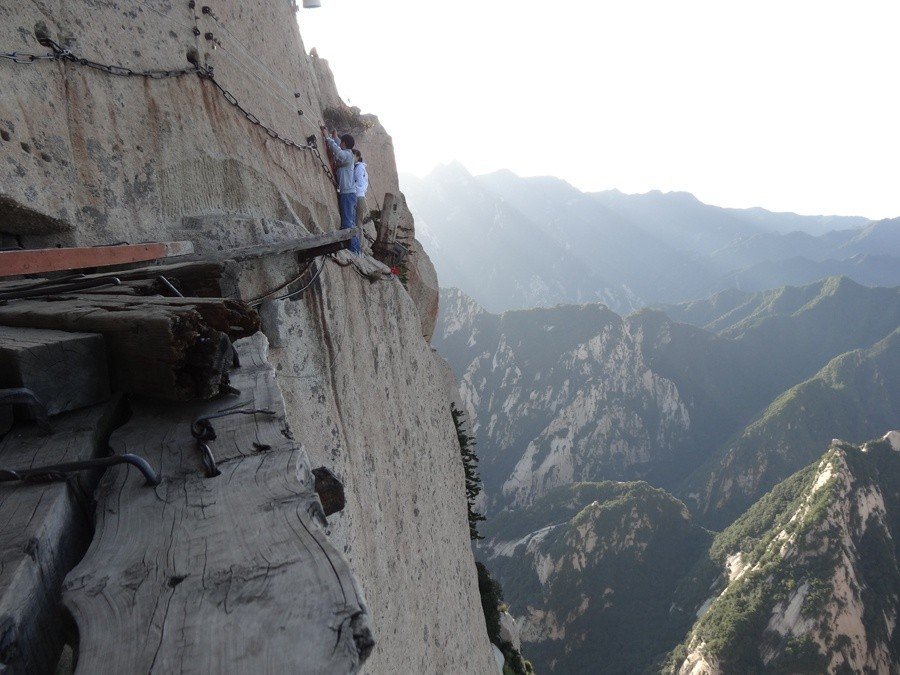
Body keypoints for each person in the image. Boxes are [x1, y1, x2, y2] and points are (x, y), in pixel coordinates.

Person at [321, 126, 360, 254]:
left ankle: (353, 251)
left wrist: (327, 137)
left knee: (348, 224)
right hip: (349, 193)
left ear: (345, 144)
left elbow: (338, 152)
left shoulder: (348, 156)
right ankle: (355, 249)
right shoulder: (349, 154)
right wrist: (335, 135)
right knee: (350, 222)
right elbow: (339, 145)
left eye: (341, 142)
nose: (340, 143)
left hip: (348, 194)